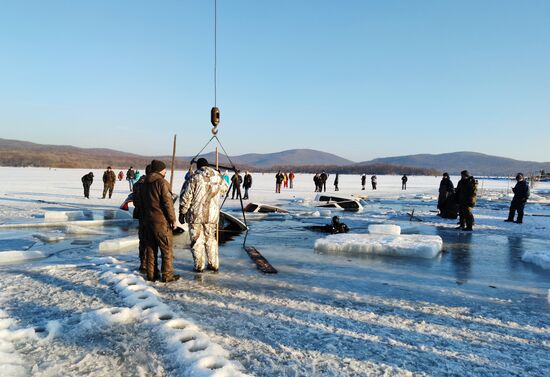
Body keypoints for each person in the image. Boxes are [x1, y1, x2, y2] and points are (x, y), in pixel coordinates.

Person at [179, 158, 229, 272]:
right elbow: (225, 189)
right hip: (211, 216)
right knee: (210, 239)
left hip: (196, 215)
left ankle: (199, 266)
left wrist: (182, 212)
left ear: (199, 166)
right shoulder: (218, 177)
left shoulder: (194, 178)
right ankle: (214, 264)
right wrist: (218, 177)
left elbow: (186, 197)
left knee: (197, 241)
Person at [140, 160, 179, 282]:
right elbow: (168, 203)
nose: (166, 171)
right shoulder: (162, 183)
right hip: (161, 222)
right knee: (166, 249)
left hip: (147, 221)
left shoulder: (143, 182)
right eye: (164, 169)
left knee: (151, 248)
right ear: (160, 170)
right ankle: (167, 275)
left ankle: (151, 275)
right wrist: (173, 220)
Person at [132, 164, 151, 274]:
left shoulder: (137, 184)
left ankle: (143, 262)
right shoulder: (151, 184)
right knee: (149, 240)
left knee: (142, 240)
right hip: (150, 215)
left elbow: (135, 202)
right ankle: (148, 263)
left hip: (140, 214)